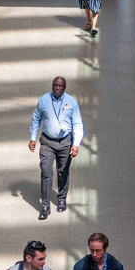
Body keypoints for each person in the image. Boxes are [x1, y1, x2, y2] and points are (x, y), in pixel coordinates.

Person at [29, 76, 83, 220]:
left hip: (65, 143)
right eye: (55, 85)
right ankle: (45, 206)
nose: (57, 88)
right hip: (47, 142)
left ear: (64, 88)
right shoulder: (44, 100)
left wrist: (75, 144)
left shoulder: (71, 103)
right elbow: (36, 119)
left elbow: (77, 124)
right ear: (52, 86)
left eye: (60, 86)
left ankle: (61, 199)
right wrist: (33, 138)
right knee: (46, 172)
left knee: (62, 172)